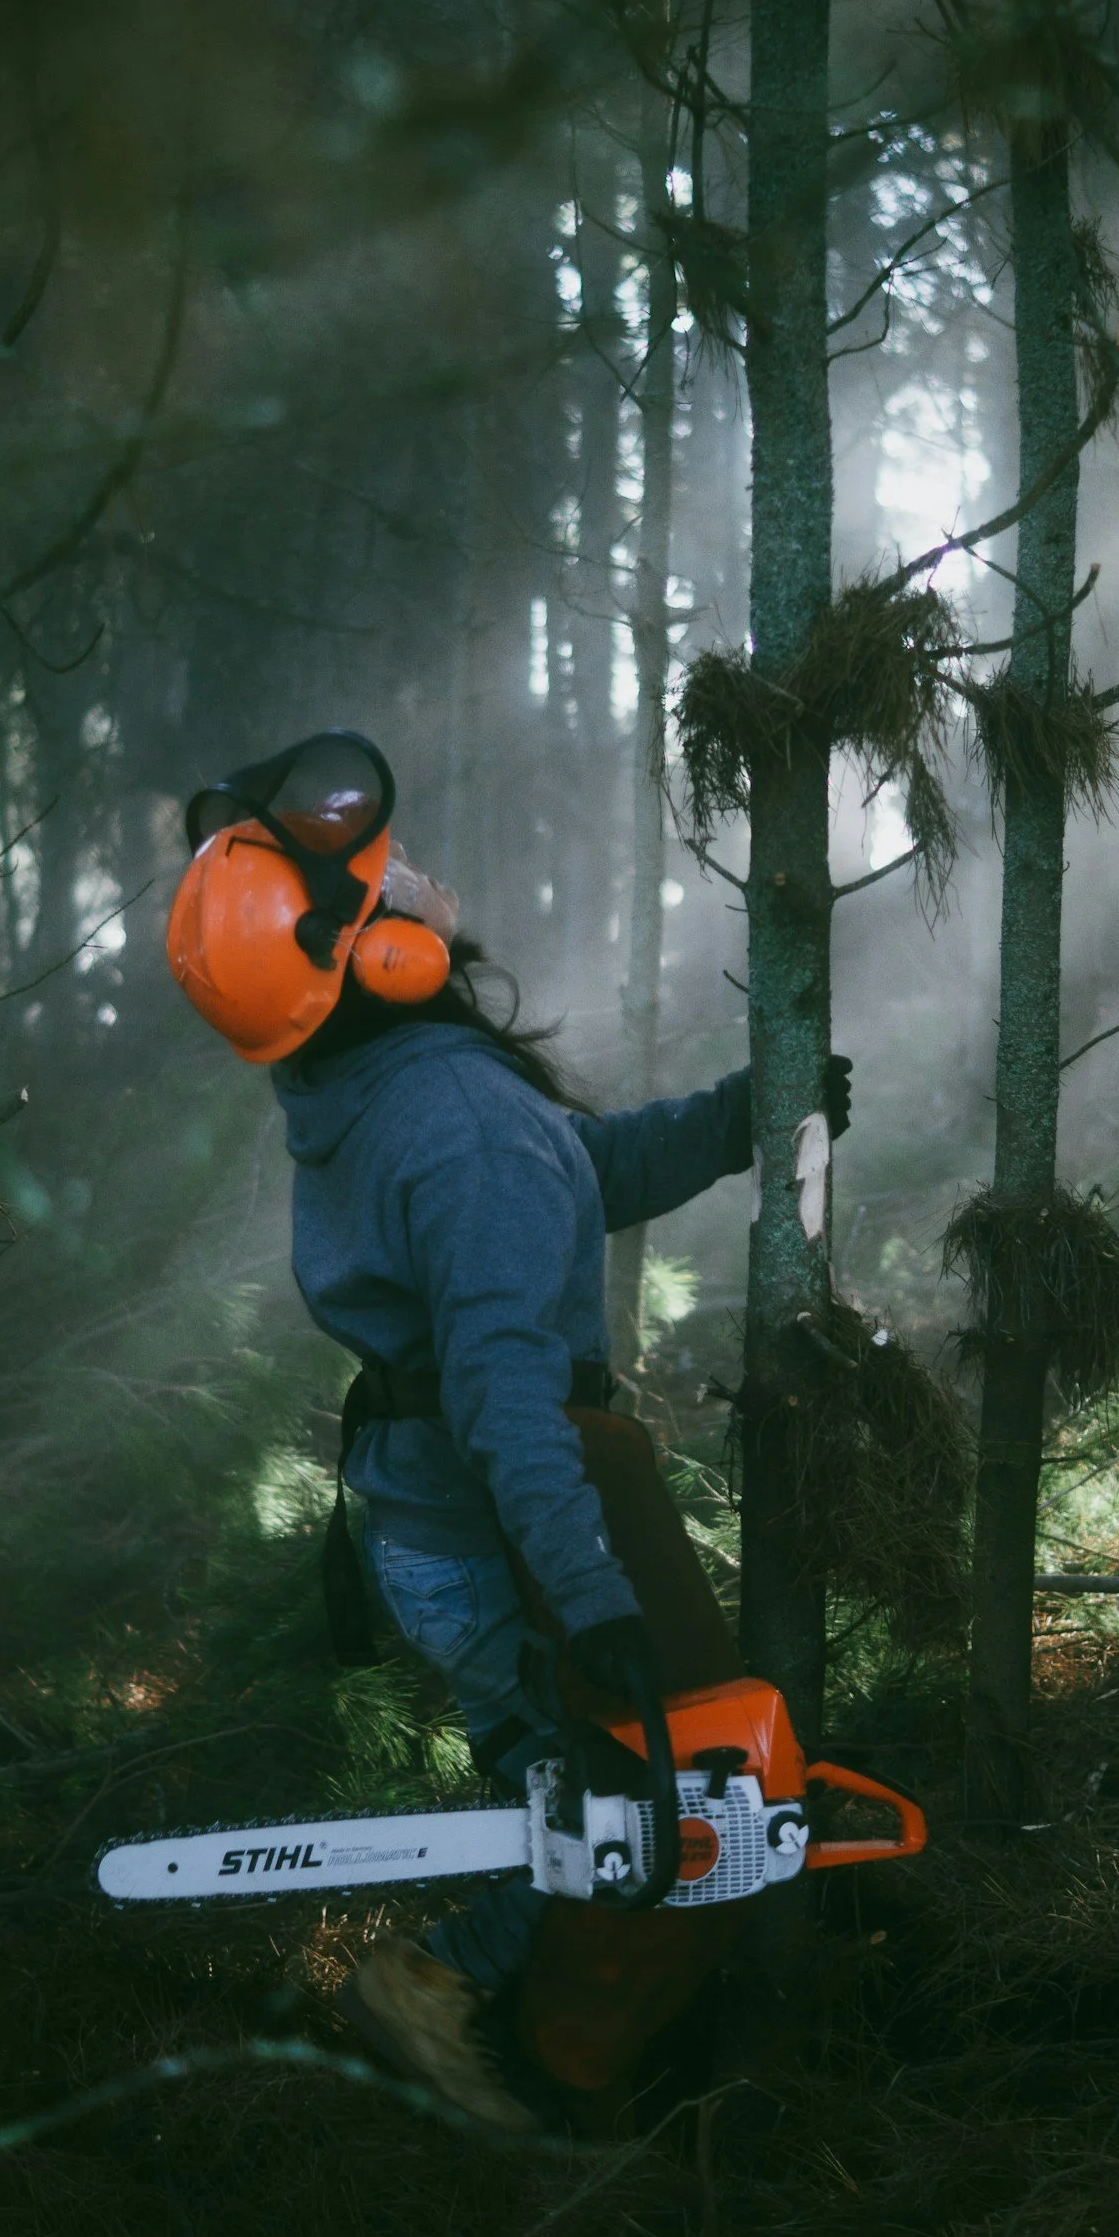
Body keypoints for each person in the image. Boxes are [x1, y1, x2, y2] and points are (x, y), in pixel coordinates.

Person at [165, 731, 850, 2131]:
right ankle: (439, 1989)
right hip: (491, 1506)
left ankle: (456, 1999)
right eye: (388, 876)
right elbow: (500, 1391)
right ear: (378, 953)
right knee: (608, 1813)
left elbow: (578, 1169)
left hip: (435, 1501)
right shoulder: (455, 1120)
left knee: (567, 1783)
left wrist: (737, 1121)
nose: (420, 880)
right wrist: (591, 1590)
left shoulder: (399, 1093)